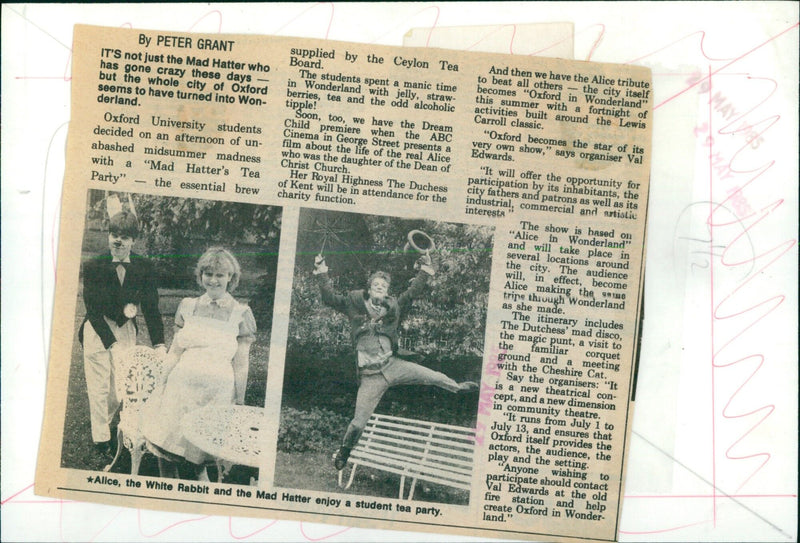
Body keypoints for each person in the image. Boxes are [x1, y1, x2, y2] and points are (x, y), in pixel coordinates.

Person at [313, 252, 478, 471]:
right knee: (358, 422)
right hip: (370, 377)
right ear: (369, 288)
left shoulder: (394, 307)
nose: (380, 286)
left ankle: (457, 388)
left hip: (393, 365)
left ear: (387, 291)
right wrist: (322, 271)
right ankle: (345, 451)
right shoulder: (353, 305)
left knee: (432, 376)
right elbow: (329, 297)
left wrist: (425, 270)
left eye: (384, 285)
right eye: (376, 284)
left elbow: (411, 293)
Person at [143, 247, 256, 480]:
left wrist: (239, 400)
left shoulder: (241, 313)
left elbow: (241, 363)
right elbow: (175, 352)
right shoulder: (187, 306)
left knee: (198, 463)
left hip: (214, 397)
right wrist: (160, 385)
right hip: (179, 390)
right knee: (165, 451)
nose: (213, 280)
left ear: (230, 278)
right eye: (208, 274)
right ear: (201, 276)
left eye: (220, 275)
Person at [79, 209, 166, 456]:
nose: (118, 241)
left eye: (124, 237)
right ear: (109, 236)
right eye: (114, 234)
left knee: (120, 389)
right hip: (98, 329)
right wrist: (111, 344)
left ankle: (104, 422)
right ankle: (101, 438)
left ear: (133, 240)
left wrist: (159, 344)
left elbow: (151, 308)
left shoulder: (144, 267)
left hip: (126, 329)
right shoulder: (93, 266)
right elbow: (93, 310)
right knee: (98, 387)